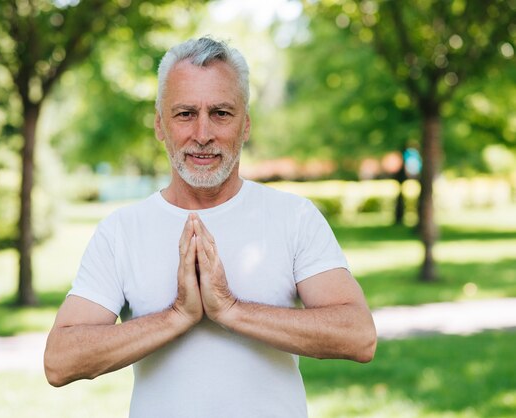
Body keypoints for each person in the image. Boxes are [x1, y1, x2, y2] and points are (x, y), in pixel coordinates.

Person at [44, 36, 377, 417]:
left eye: (221, 113)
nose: (203, 134)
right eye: (185, 114)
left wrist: (231, 310)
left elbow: (359, 336)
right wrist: (178, 315)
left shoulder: (293, 217)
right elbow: (60, 361)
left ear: (246, 124)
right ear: (159, 125)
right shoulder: (121, 231)